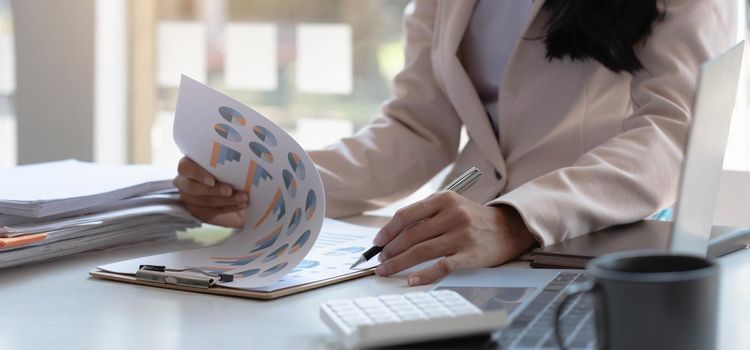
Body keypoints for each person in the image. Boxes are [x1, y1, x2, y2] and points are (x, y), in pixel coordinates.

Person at [174, 0, 736, 286]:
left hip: (596, 243)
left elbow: (673, 131)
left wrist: (516, 219)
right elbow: (418, 127)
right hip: (461, 244)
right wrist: (265, 182)